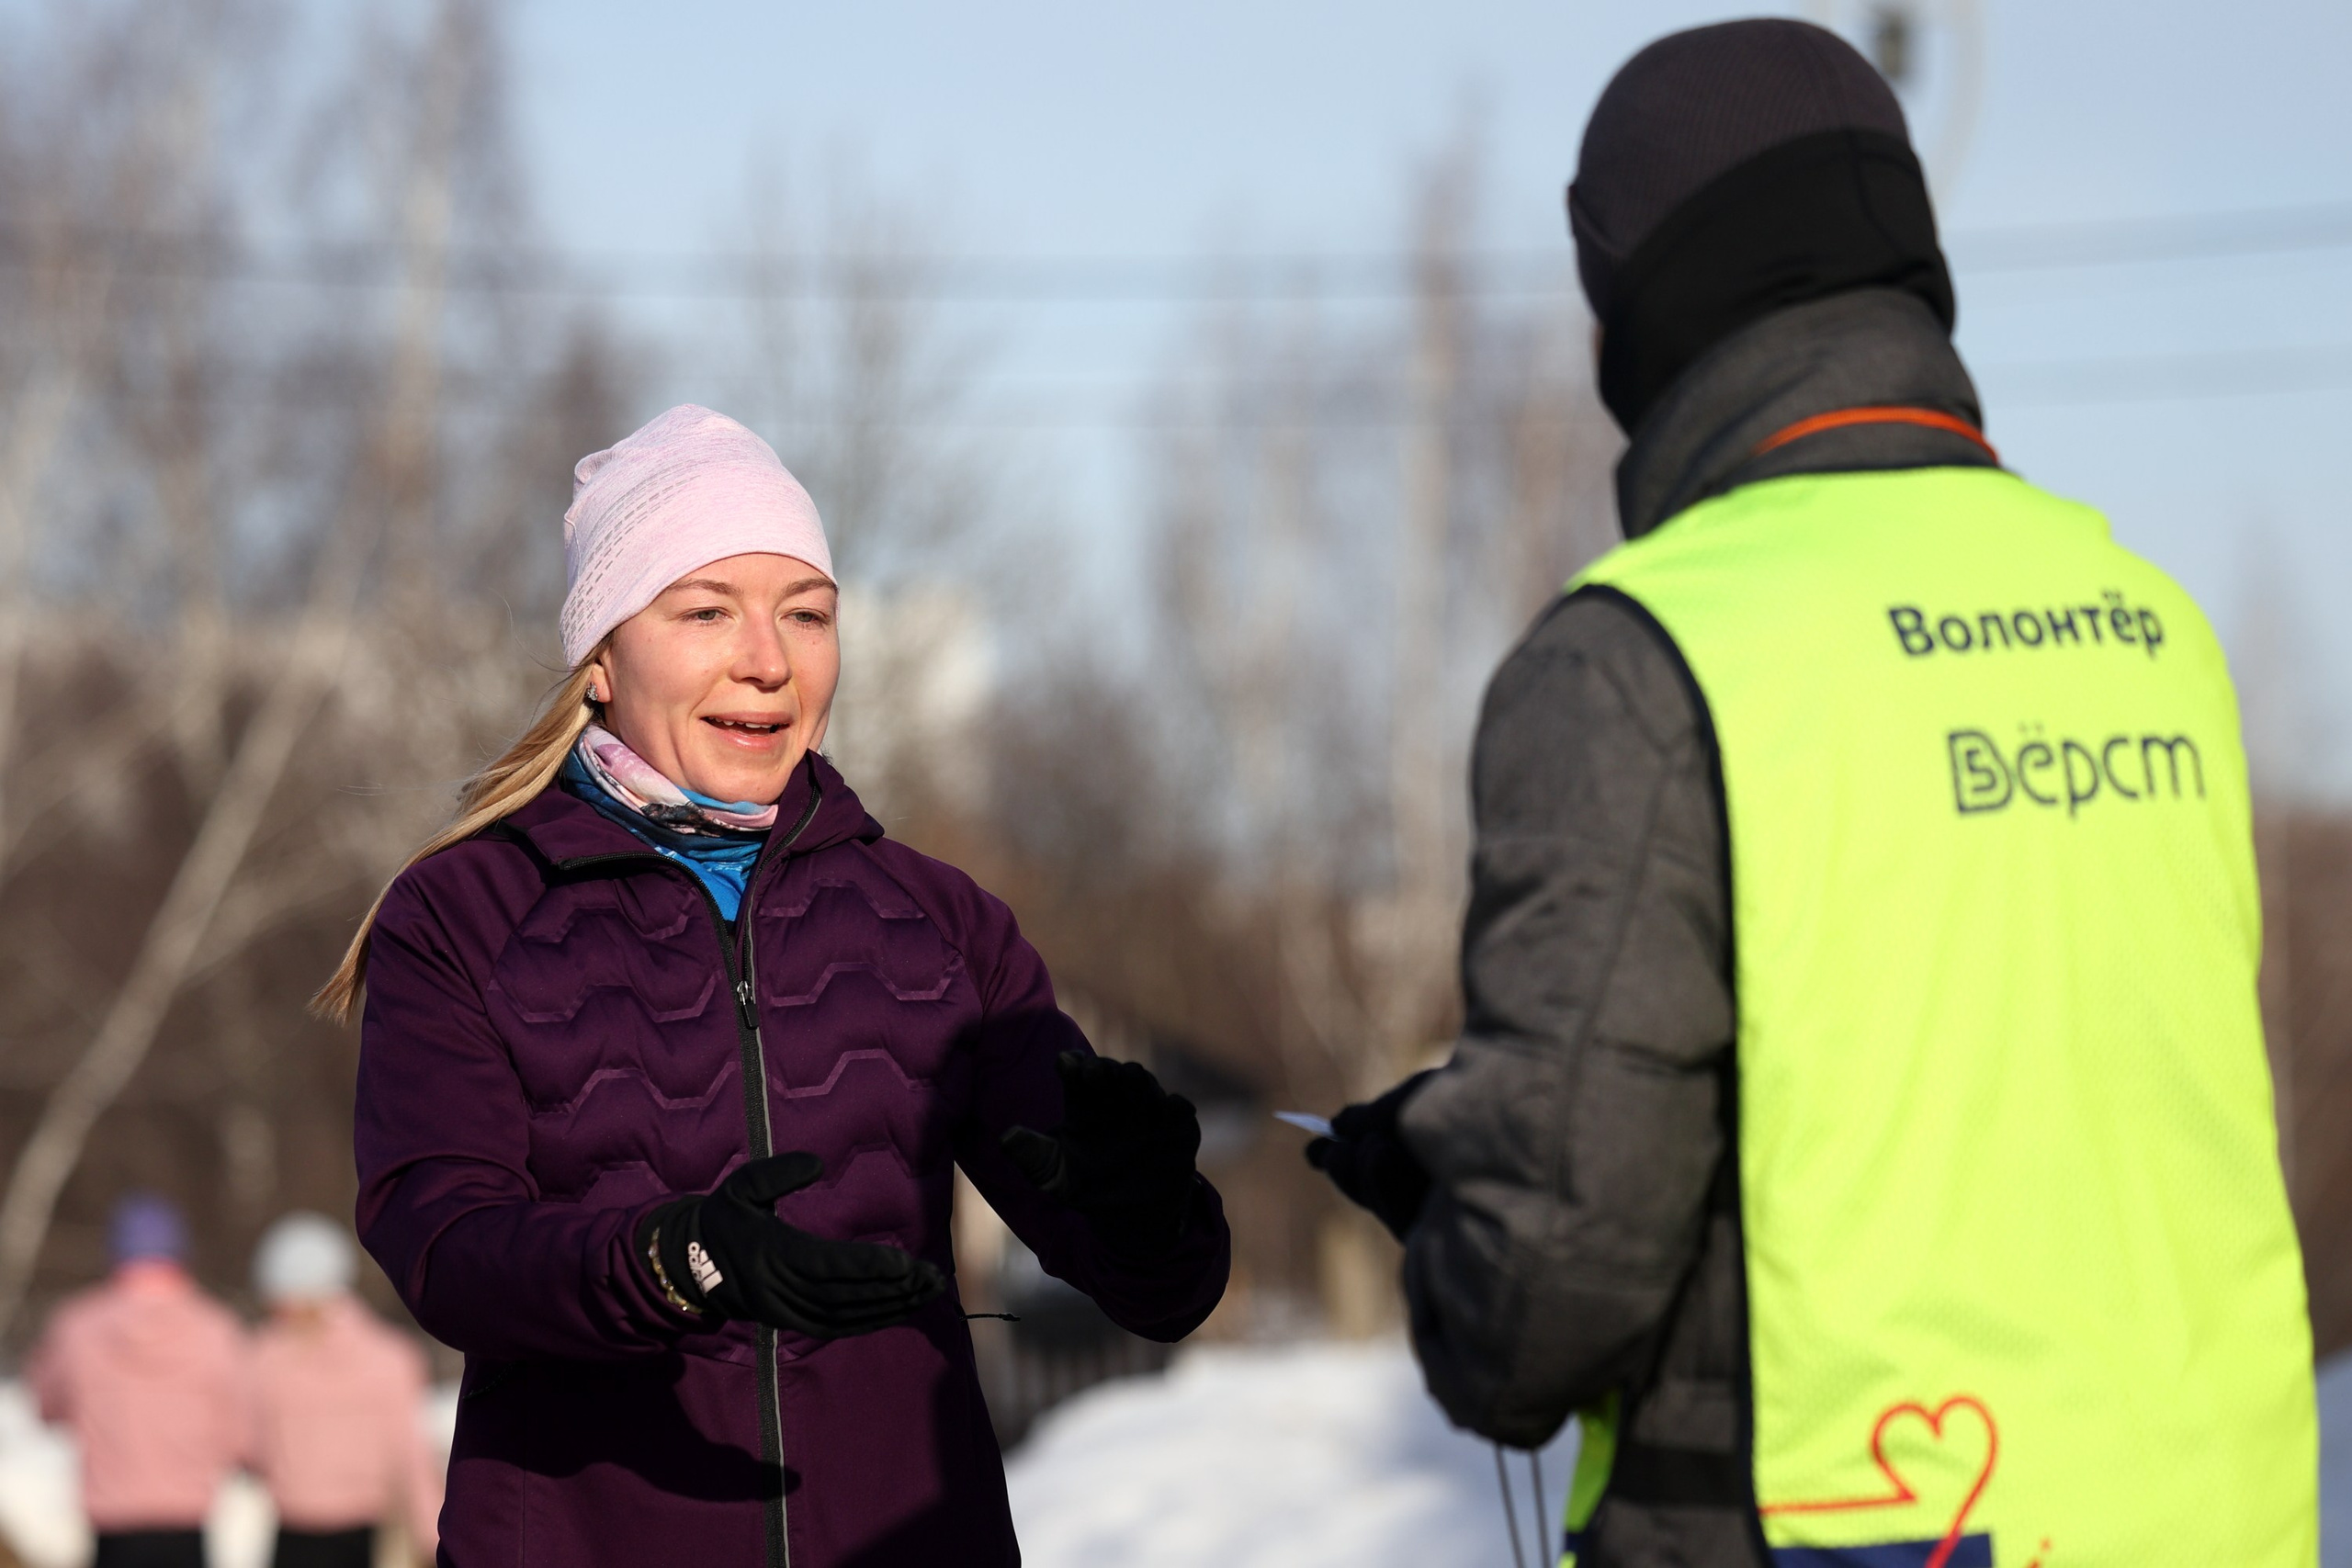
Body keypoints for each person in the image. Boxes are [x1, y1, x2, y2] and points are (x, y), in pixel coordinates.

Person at [1306, 19, 2316, 1566]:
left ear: (1636, 312)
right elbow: (1964, 1077)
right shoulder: (2146, 621)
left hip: (1862, 1526)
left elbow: (1538, 1311)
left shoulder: (1642, 657)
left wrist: (1461, 1212)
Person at [319, 404, 1229, 1568]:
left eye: (808, 614)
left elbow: (1159, 1293)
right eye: (705, 611)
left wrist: (1145, 1202)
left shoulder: (939, 926)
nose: (768, 658)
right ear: (601, 657)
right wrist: (677, 1257)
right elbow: (445, 1248)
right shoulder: (463, 917)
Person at [28, 1194, 245, 1568]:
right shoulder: (217, 1330)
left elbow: (48, 1407)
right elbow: (239, 1428)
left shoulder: (77, 1328)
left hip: (113, 1529)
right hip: (188, 1524)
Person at [245, 1213, 441, 1568]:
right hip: (359, 1538)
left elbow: (250, 1447)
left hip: (293, 1537)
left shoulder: (265, 1357)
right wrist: (431, 1536)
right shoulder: (391, 1357)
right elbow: (411, 1456)